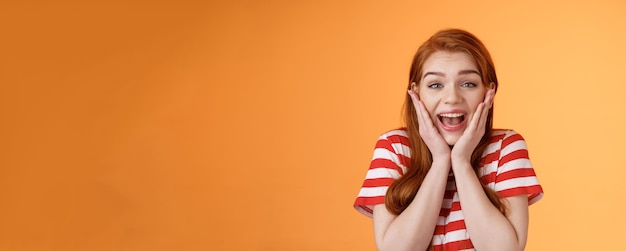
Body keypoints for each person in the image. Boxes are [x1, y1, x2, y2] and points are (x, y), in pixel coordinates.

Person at [353, 28, 543, 251]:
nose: (452, 98)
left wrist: (461, 162)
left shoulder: (506, 147)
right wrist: (441, 160)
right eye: (435, 85)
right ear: (415, 93)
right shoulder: (393, 148)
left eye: (468, 84)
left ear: (489, 93)